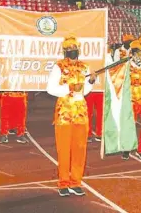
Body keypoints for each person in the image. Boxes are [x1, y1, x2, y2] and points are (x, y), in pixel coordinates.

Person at [46, 35, 96, 197]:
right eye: (69, 49)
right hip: (64, 113)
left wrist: (90, 82)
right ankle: (63, 183)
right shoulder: (58, 67)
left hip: (81, 112)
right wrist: (69, 88)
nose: (72, 52)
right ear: (65, 51)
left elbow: (85, 92)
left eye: (74, 49)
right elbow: (51, 89)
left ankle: (76, 182)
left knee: (80, 149)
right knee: (64, 149)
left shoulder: (85, 67)